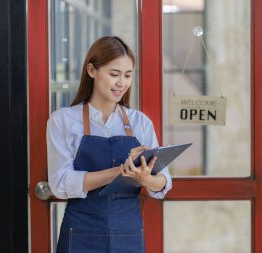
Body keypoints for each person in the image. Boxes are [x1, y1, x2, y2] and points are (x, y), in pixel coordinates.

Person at [47, 36, 172, 253]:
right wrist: (119, 172)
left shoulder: (140, 122)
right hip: (80, 236)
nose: (121, 83)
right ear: (92, 70)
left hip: (128, 235)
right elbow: (61, 184)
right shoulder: (63, 120)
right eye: (114, 74)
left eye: (127, 75)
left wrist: (146, 179)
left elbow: (163, 182)